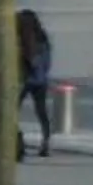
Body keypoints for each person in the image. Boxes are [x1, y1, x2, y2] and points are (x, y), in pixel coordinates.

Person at [16, 8, 55, 160]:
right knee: (41, 111)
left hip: (24, 81)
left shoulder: (23, 41)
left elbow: (30, 62)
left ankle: (18, 141)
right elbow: (46, 63)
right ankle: (46, 141)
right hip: (41, 81)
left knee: (11, 112)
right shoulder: (43, 40)